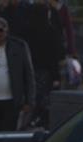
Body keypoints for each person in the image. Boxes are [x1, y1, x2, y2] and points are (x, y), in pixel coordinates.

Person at [24, 0, 65, 128]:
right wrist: (56, 76)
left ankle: (31, 119)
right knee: (44, 99)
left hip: (31, 71)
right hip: (46, 72)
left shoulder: (27, 32)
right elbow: (54, 56)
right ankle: (39, 119)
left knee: (33, 97)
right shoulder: (50, 32)